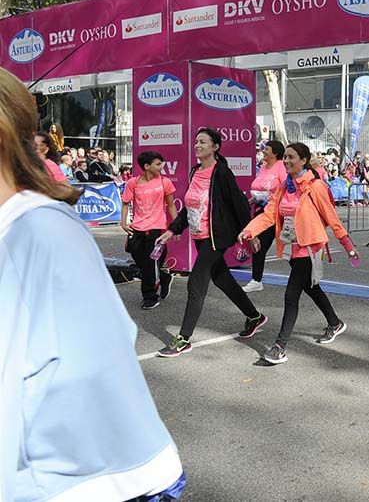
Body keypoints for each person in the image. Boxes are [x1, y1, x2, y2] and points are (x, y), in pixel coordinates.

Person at [0, 67, 185, 501]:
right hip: (66, 479)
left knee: (151, 274)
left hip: (105, 484)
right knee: (143, 273)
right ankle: (152, 289)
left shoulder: (39, 232)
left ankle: (158, 290)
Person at [239, 143, 358, 365]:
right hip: (292, 247)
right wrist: (249, 230)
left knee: (291, 295)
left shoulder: (316, 187)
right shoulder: (285, 187)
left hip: (310, 248)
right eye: (285, 157)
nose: (286, 161)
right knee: (311, 287)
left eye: (291, 157)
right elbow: (269, 214)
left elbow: (332, 218)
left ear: (304, 160)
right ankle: (335, 323)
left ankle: (279, 347)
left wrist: (348, 245)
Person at [154, 128, 267, 357]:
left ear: (215, 147)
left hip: (216, 238)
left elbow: (240, 205)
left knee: (196, 283)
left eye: (203, 142)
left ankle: (183, 339)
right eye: (196, 142)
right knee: (222, 279)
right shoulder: (195, 171)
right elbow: (189, 208)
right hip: (199, 235)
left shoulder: (222, 173)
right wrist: (172, 230)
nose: (197, 145)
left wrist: (250, 233)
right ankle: (255, 316)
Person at [121, 151, 178, 310]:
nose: (162, 167)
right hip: (137, 229)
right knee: (139, 259)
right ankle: (164, 277)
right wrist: (123, 222)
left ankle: (150, 297)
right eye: (158, 164)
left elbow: (171, 205)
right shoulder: (133, 182)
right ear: (147, 166)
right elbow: (126, 202)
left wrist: (176, 227)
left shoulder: (164, 182)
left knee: (151, 263)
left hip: (157, 230)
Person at [245, 140, 287, 293]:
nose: (263, 151)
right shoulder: (262, 168)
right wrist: (251, 200)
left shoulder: (281, 166)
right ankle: (256, 280)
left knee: (286, 246)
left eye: (267, 149)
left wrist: (270, 197)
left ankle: (257, 279)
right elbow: (259, 188)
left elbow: (286, 188)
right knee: (258, 245)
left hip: (275, 213)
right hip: (259, 209)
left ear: (275, 152)